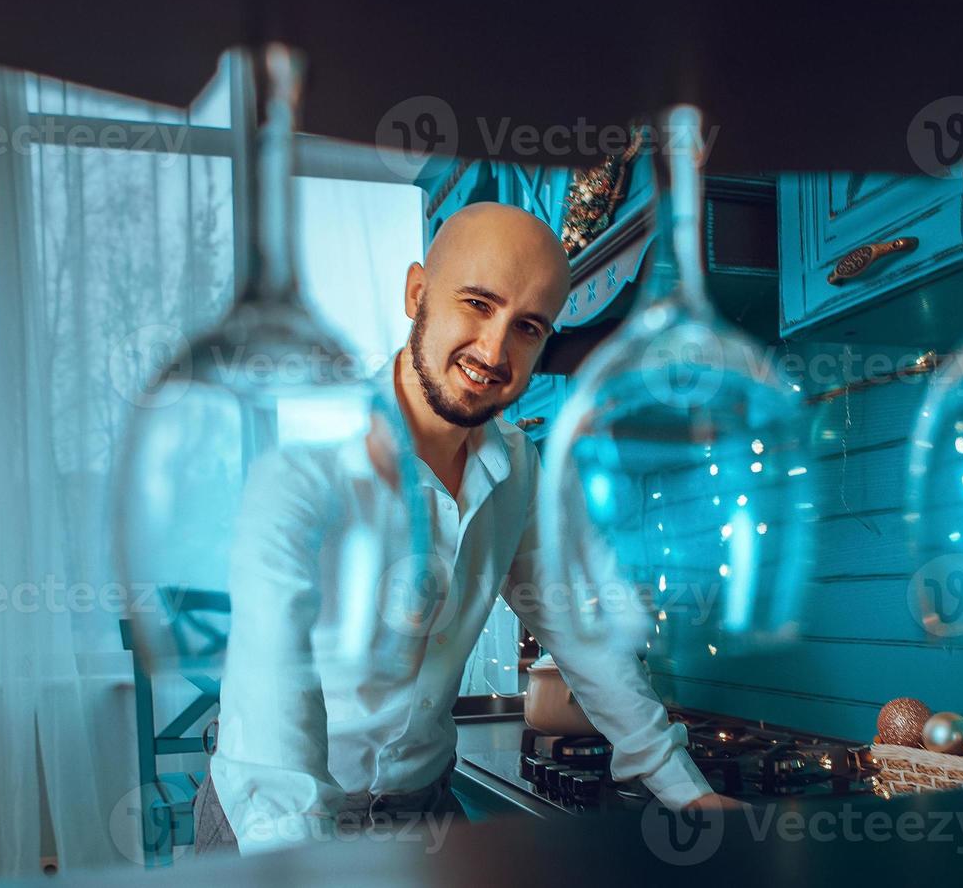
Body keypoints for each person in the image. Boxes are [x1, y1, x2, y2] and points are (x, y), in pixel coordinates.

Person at [193, 201, 737, 855]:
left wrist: (684, 788)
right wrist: (306, 862)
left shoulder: (519, 469)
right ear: (417, 293)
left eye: (527, 327)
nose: (494, 349)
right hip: (280, 821)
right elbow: (279, 695)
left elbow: (582, 632)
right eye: (478, 304)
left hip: (424, 812)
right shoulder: (304, 461)